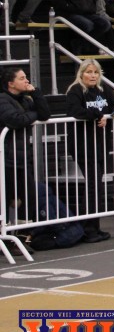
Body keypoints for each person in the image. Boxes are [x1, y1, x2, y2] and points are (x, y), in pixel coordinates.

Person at [66, 60, 114, 243]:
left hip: (101, 143)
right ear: (81, 73)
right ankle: (88, 229)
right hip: (83, 144)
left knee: (97, 185)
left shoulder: (103, 89)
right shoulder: (75, 90)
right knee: (93, 186)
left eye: (95, 72)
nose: (92, 75)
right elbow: (76, 111)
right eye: (88, 72)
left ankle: (94, 227)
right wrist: (99, 115)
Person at [0, 66, 50, 225]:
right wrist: (33, 115)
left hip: (22, 159)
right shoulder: (2, 99)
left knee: (29, 198)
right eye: (22, 78)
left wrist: (35, 93)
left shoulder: (26, 100)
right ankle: (4, 233)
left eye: (26, 77)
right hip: (6, 159)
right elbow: (15, 120)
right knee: (4, 199)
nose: (27, 81)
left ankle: (23, 233)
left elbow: (45, 114)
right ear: (11, 83)